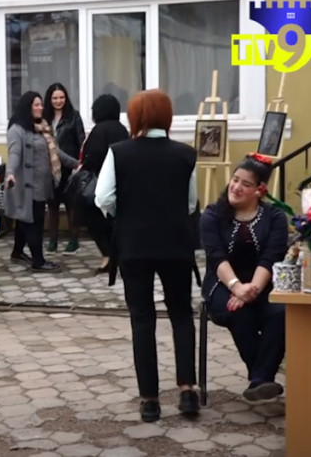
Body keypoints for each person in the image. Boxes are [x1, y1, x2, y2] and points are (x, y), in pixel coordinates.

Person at [95, 89, 200, 423]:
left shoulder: (119, 152)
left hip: (134, 245)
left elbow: (103, 197)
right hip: (176, 244)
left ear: (135, 117)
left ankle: (150, 400)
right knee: (181, 314)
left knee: (142, 319)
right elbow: (190, 203)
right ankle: (187, 391)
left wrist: (126, 214)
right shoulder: (186, 154)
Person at [201, 154, 288, 402]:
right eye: (235, 180)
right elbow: (216, 257)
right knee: (239, 311)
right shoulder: (212, 214)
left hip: (263, 283)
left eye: (246, 184)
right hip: (222, 283)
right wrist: (236, 287)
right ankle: (262, 378)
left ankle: (260, 379)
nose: (236, 187)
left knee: (281, 312)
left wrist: (252, 289)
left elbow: (270, 258)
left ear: (260, 190)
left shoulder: (275, 217)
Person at [4, 91, 61, 272]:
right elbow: (14, 154)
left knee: (24, 221)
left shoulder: (42, 127)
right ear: (27, 107)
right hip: (27, 186)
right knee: (34, 223)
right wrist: (10, 173)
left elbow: (56, 152)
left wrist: (77, 164)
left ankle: (17, 252)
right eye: (36, 105)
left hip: (42, 184)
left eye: (41, 104)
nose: (40, 108)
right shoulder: (17, 130)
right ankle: (38, 261)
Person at [78, 94, 129, 274]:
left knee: (95, 221)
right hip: (121, 181)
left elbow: (94, 156)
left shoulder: (99, 130)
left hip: (100, 182)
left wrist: (83, 166)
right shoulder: (122, 129)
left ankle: (107, 257)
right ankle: (118, 255)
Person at [43, 83, 85, 253]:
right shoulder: (44, 117)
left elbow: (81, 141)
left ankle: (73, 240)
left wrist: (79, 163)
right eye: (55, 98)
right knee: (52, 206)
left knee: (71, 205)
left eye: (61, 97)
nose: (58, 101)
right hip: (50, 168)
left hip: (70, 167)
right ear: (49, 99)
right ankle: (53, 240)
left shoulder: (73, 116)